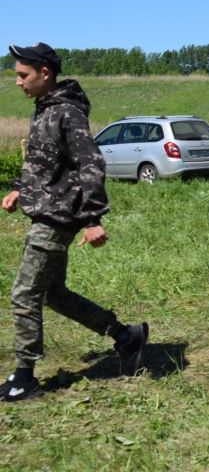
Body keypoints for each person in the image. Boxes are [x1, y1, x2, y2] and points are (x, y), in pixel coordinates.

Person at [1, 43, 147, 403]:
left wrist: (92, 219)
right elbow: (44, 161)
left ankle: (25, 377)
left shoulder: (67, 112)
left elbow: (90, 164)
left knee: (24, 294)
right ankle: (125, 336)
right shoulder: (44, 109)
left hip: (56, 218)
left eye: (23, 75)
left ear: (44, 73)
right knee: (53, 294)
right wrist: (20, 188)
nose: (18, 82)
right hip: (44, 211)